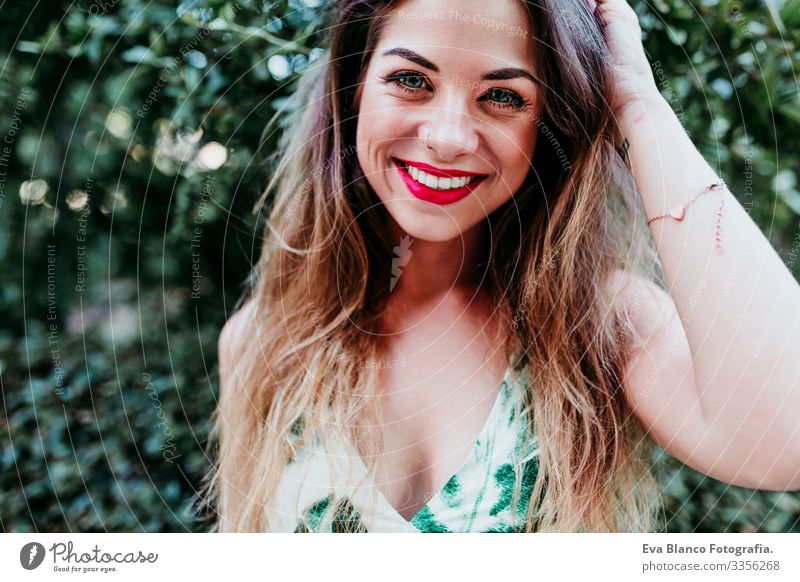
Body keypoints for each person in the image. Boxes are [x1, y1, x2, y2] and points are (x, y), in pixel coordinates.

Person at [206, 0, 800, 532]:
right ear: (353, 89)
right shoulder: (261, 343)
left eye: (503, 95)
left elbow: (786, 439)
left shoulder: (601, 324)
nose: (447, 138)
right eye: (411, 79)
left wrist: (636, 103)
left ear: (547, 126)